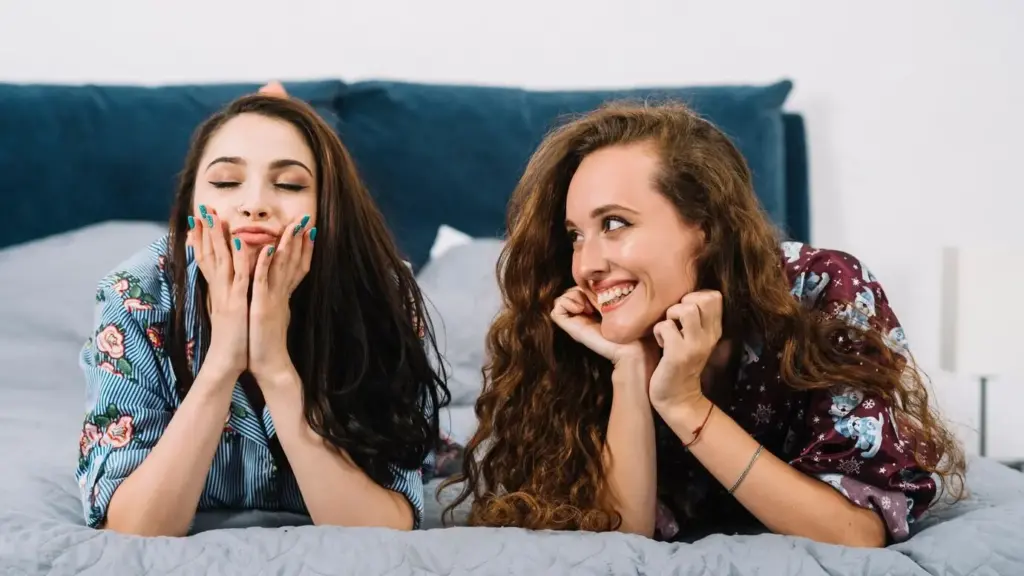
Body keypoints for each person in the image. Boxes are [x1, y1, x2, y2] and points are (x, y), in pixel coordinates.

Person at [440, 102, 966, 547]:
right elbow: (620, 540)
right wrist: (629, 368)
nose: (586, 265)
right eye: (576, 235)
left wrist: (684, 403)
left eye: (615, 224)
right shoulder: (579, 338)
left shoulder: (822, 291)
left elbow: (856, 533)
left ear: (707, 229)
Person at [75, 87, 450, 536]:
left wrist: (275, 368)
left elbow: (387, 525)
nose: (254, 205)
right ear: (190, 205)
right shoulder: (135, 294)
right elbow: (131, 527)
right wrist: (223, 360)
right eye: (225, 182)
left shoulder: (381, 295)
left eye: (290, 185)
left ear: (328, 208)